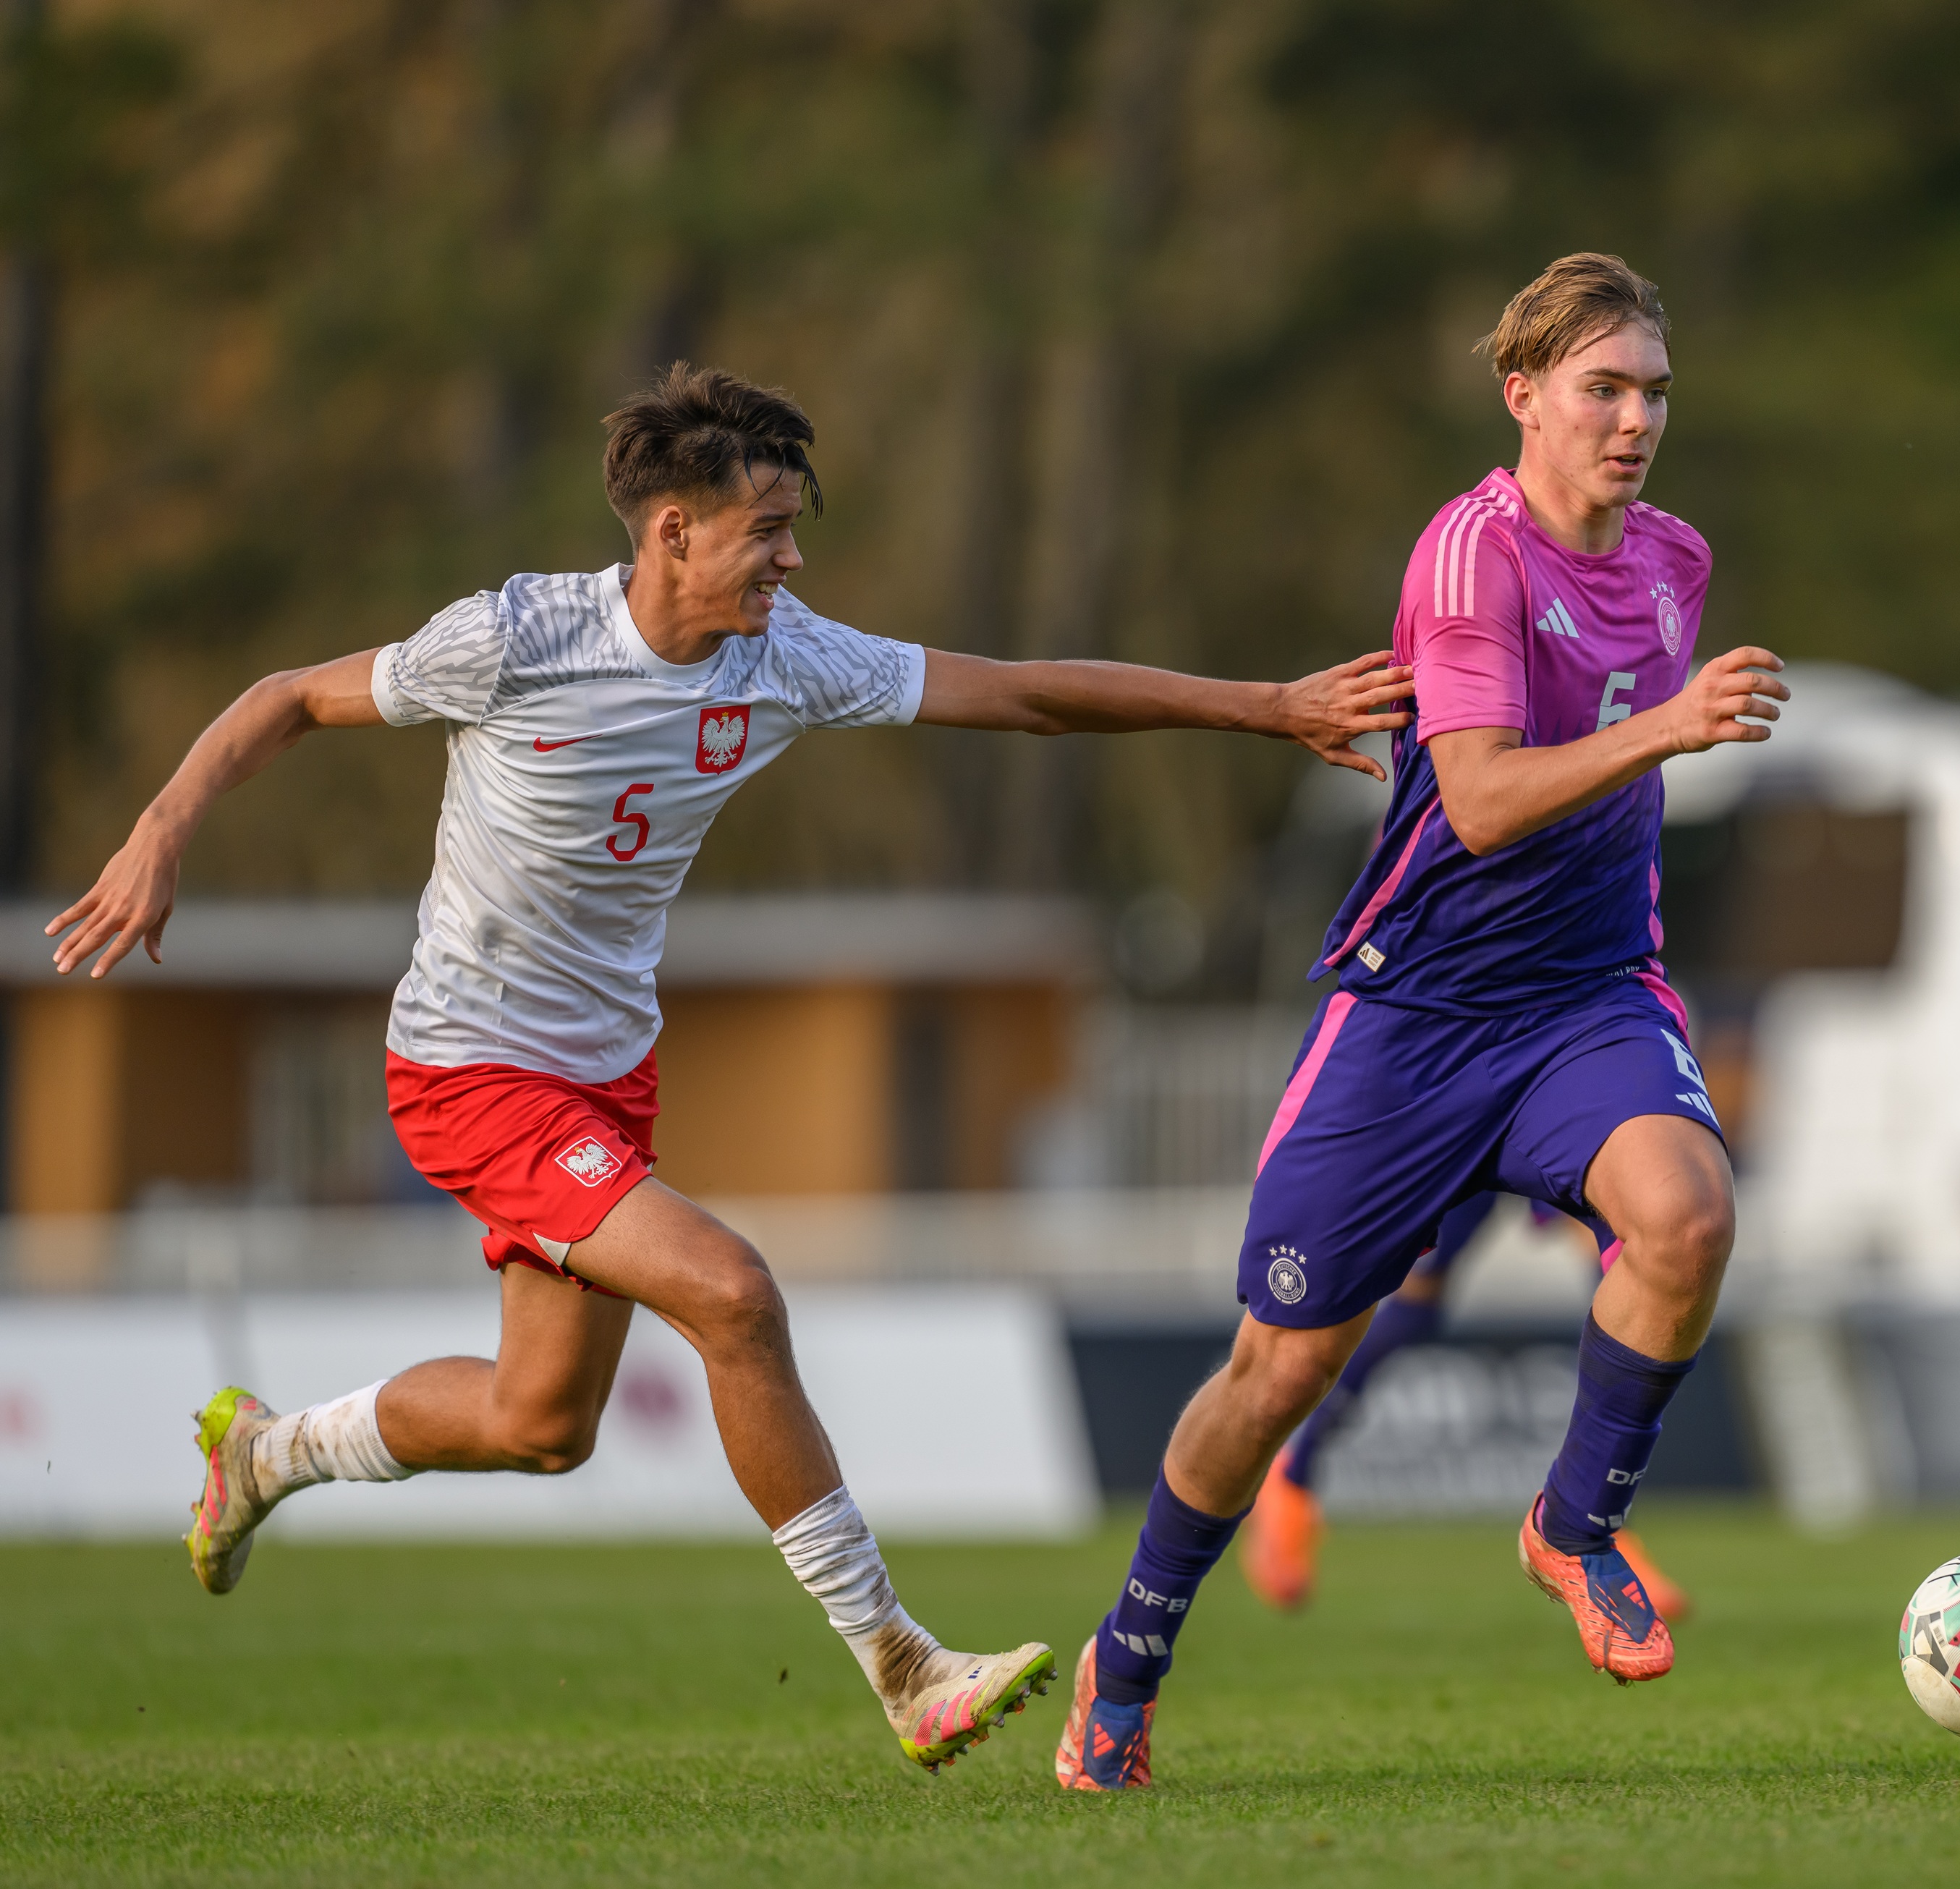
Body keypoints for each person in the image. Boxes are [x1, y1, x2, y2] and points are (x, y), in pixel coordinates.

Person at [45, 363, 1414, 1773]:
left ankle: (268, 1452)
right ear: (671, 536)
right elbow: (284, 697)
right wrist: (159, 833)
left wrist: (1263, 707)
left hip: (605, 1076)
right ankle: (901, 1664)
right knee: (732, 1291)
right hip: (471, 1068)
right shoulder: (514, 638)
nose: (792, 557)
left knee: (541, 1425)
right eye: (766, 529)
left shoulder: (786, 656)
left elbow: (1022, 699)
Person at [1052, 252, 1787, 1791]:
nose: (1634, 418)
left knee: (1688, 1218)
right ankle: (1125, 1666)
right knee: (1273, 1375)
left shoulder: (1673, 559)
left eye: (1653, 390)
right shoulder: (1470, 560)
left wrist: (1661, 731)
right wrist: (1669, 727)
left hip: (1586, 995)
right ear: (1521, 395)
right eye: (1604, 388)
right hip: (1417, 1016)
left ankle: (1571, 1529)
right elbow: (1479, 797)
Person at [1239, 1190, 1693, 1621]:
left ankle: (1594, 1530)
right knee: (1417, 1298)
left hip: (1545, 1107)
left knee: (1612, 1244)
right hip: (1462, 1110)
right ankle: (1293, 1483)